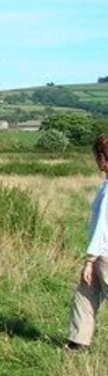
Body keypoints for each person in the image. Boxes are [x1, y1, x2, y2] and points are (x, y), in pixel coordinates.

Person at [67, 133, 108, 350]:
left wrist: (90, 260)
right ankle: (77, 342)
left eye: (97, 157)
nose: (96, 162)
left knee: (87, 290)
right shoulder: (105, 186)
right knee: (85, 293)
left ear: (103, 158)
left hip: (104, 254)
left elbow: (103, 227)